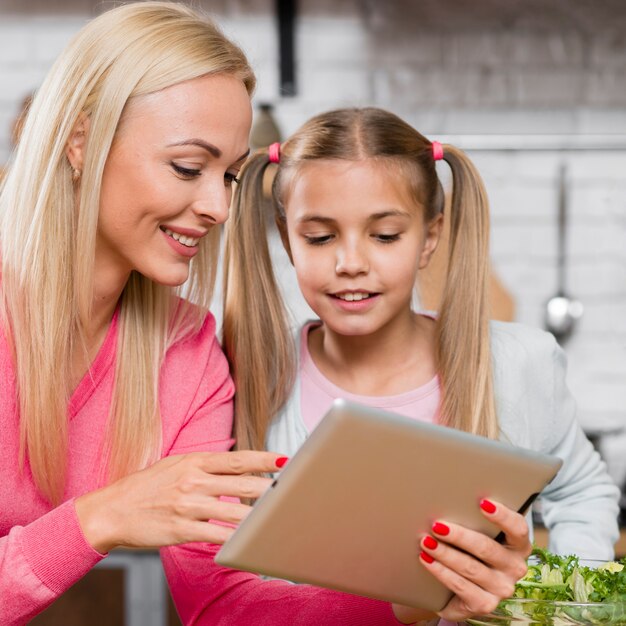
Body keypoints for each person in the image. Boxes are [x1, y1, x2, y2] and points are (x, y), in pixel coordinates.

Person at [0, 4, 531, 626]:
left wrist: (421, 593)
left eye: (227, 176)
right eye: (188, 168)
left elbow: (223, 603)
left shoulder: (186, 354)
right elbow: (92, 527)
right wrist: (100, 517)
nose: (217, 207)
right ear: (81, 142)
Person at [222, 107, 620, 563]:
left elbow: (584, 490)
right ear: (288, 239)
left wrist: (559, 605)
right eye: (319, 237)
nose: (351, 262)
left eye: (385, 236)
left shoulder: (515, 364)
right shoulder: (250, 373)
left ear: (429, 238)